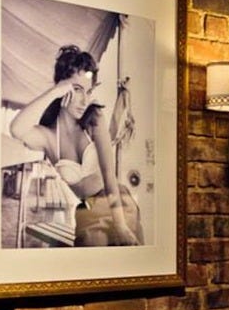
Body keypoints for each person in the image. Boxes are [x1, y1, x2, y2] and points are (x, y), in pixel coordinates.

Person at [9, 45, 142, 246]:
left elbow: (109, 176)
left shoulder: (94, 118)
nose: (84, 100)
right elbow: (16, 129)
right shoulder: (49, 137)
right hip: (86, 210)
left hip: (117, 204)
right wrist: (54, 91)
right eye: (77, 89)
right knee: (91, 246)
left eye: (88, 91)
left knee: (126, 254)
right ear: (63, 87)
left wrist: (121, 226)